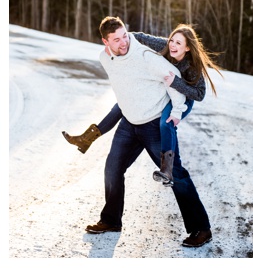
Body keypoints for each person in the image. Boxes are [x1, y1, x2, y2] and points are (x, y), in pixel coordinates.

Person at [83, 16, 212, 248]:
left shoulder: (143, 53)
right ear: (106, 42)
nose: (123, 43)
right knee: (112, 169)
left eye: (125, 36)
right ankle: (111, 220)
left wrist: (176, 112)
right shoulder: (105, 58)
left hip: (154, 124)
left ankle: (201, 229)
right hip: (129, 125)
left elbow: (175, 84)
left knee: (175, 174)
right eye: (116, 39)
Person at [62, 24, 223, 186]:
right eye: (172, 40)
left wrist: (177, 83)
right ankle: (87, 139)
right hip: (165, 91)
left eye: (178, 43)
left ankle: (167, 169)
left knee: (165, 123)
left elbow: (200, 95)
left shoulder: (192, 66)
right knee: (121, 106)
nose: (173, 45)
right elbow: (137, 37)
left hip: (184, 98)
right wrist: (115, 46)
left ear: (187, 48)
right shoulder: (165, 46)